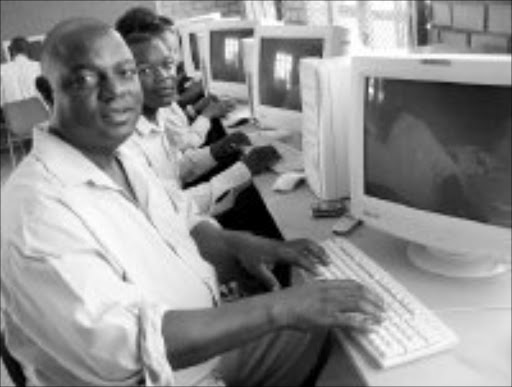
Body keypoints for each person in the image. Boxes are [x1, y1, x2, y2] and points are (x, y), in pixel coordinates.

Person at [0, 18, 385, 386]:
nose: (115, 90)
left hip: (200, 347)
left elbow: (180, 218)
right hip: (165, 374)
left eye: (125, 72)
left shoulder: (117, 156)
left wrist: (247, 245)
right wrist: (279, 307)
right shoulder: (36, 212)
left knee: (349, 333)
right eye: (85, 78)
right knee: (355, 366)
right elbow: (129, 350)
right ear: (47, 93)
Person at [0, 36, 41, 106]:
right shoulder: (39, 67)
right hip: (41, 113)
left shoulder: (2, 70)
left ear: (10, 51)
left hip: (13, 114)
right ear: (29, 50)